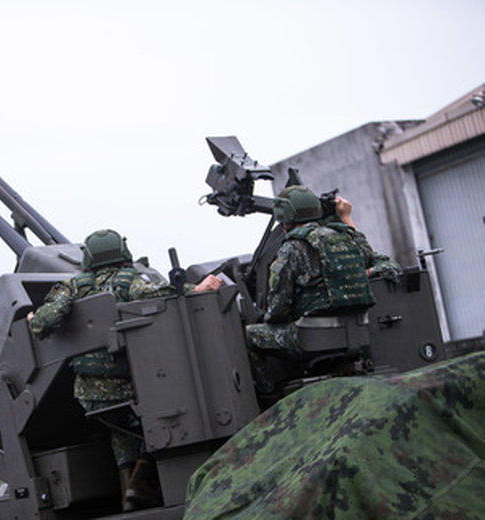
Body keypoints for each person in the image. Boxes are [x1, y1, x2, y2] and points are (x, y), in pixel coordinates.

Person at [27, 229, 222, 511]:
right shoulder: (129, 282)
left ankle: (129, 494)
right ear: (123, 252)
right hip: (130, 386)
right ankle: (140, 483)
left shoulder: (72, 287)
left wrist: (34, 318)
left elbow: (44, 321)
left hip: (90, 394)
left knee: (121, 429)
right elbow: (161, 293)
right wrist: (198, 289)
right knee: (159, 419)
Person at [245, 186, 382, 391]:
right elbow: (368, 256)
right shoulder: (345, 236)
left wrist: (266, 317)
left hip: (312, 339)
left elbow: (279, 308)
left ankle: (269, 395)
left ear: (285, 217)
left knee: (249, 336)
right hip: (356, 334)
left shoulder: (292, 248)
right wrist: (346, 218)